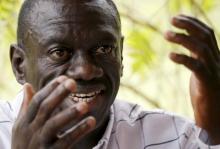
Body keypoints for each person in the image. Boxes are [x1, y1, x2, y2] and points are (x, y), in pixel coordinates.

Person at [0, 0, 220, 148]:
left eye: (104, 49)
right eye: (60, 52)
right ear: (20, 65)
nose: (86, 71)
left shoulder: (172, 137)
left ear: (121, 55)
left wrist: (214, 119)